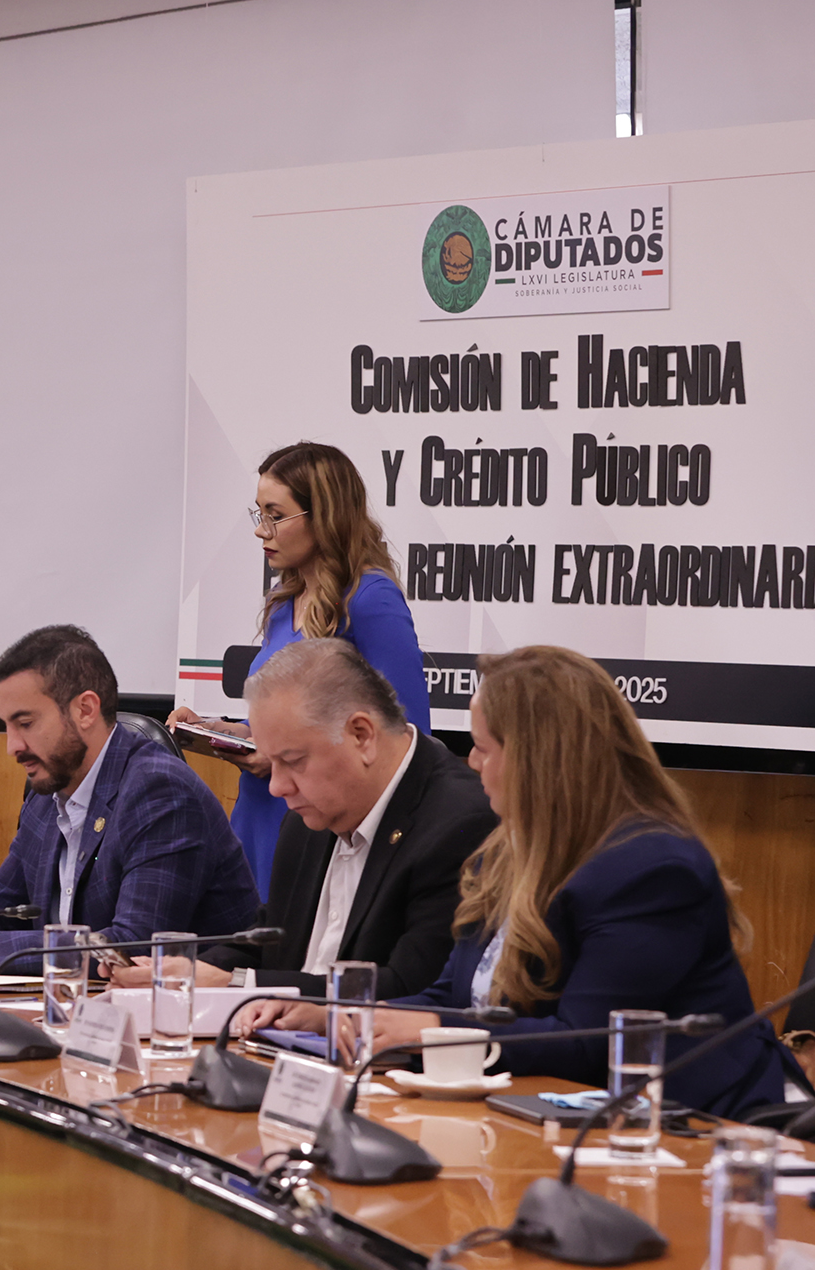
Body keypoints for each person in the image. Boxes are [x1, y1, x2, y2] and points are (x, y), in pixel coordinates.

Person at [237, 645, 800, 1118]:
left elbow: (588, 1041)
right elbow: (452, 995)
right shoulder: (505, 853)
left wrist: (422, 1028)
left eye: (484, 748)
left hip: (702, 1133)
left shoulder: (652, 870)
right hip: (551, 1121)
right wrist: (346, 1016)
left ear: (540, 760)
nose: (471, 763)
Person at [0, 625, 255, 970]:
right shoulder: (48, 792)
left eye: (26, 724)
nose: (12, 747)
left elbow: (131, 947)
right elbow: (0, 913)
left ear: (85, 710)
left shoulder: (160, 791)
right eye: (7, 727)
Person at [169, 442, 430, 892]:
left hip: (323, 835)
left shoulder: (370, 600)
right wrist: (231, 733)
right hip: (258, 819)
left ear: (324, 517)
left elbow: (406, 740)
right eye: (259, 514)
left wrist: (282, 758)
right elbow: (295, 722)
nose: (261, 530)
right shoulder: (283, 605)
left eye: (275, 515)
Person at [183, 637, 494, 998]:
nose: (278, 787)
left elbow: (408, 989)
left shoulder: (460, 824)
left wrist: (240, 983)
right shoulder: (307, 818)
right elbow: (269, 943)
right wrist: (189, 971)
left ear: (361, 735)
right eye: (272, 762)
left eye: (293, 761)